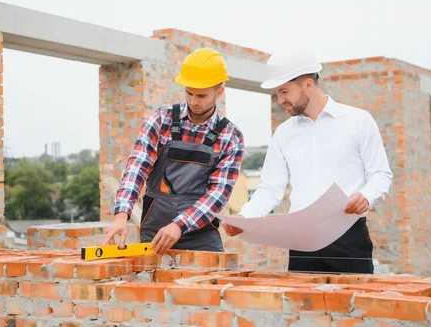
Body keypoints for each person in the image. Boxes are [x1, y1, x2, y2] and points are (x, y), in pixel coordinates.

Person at [222, 53, 393, 274]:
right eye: (277, 93)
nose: (281, 99)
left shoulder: (358, 121)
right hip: (301, 242)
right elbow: (270, 189)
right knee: (302, 308)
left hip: (348, 238)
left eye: (285, 91)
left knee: (353, 307)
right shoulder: (284, 133)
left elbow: (381, 174)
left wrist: (367, 197)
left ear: (309, 84)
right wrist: (245, 218)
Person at [104, 47, 244, 255]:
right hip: (156, 230)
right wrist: (122, 213)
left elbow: (217, 195)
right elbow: (137, 167)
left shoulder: (230, 136)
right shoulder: (162, 120)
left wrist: (179, 225)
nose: (194, 101)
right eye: (189, 93)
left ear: (219, 91)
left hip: (200, 233)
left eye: (202, 95)